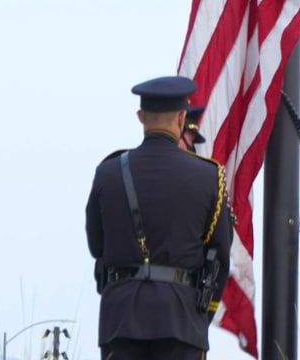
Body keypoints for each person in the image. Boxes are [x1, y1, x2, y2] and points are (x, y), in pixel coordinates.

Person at [86, 76, 233, 360]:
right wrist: (200, 312)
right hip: (182, 321)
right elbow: (219, 255)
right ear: (182, 118)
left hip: (120, 319)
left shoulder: (107, 172)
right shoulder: (208, 177)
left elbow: (97, 245)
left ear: (141, 117)